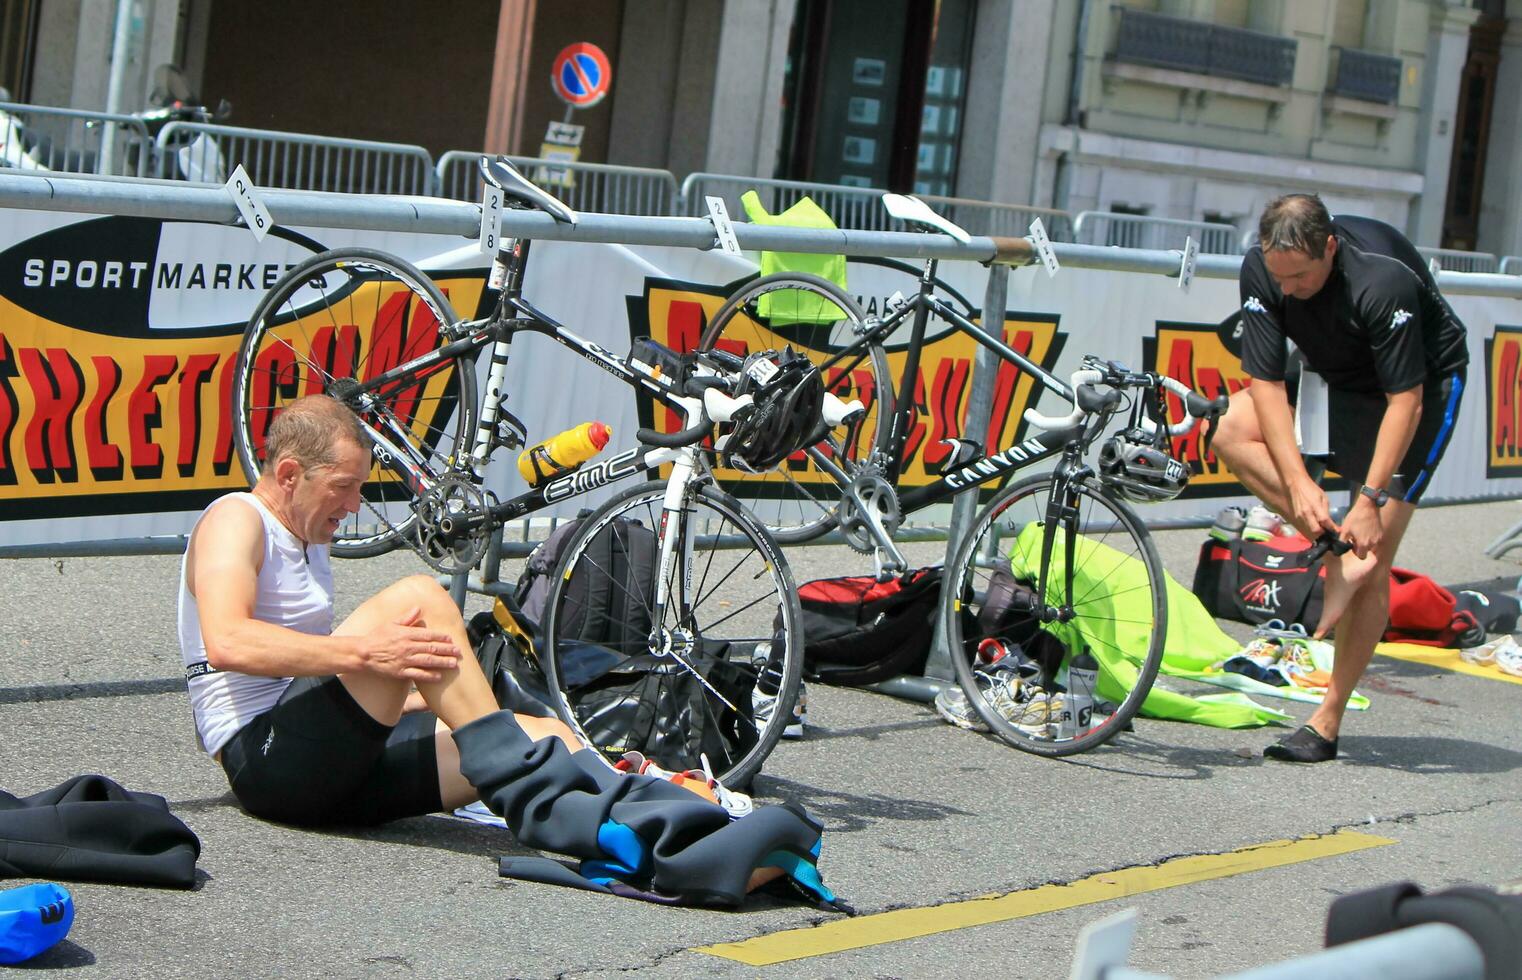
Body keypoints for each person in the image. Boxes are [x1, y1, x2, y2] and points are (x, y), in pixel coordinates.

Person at [176, 396, 837, 906]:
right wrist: (366, 655)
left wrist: (413, 680)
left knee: (540, 733)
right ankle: (549, 804)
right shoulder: (237, 518)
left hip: (316, 765)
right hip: (265, 765)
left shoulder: (306, 538)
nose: (356, 503)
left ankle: (671, 820)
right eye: (343, 487)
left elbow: (338, 679)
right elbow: (227, 641)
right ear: (289, 473)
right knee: (418, 598)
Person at [1212, 194, 1468, 763]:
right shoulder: (1265, 268)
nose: (1289, 289)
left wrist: (1371, 499)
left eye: (1301, 277)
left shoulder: (1381, 281)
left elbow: (1407, 401)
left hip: (1415, 387)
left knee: (1371, 557)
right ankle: (1332, 550)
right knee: (1230, 429)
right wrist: (1299, 487)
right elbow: (1268, 385)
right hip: (1335, 377)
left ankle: (1326, 722)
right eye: (1279, 277)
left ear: (1329, 248)